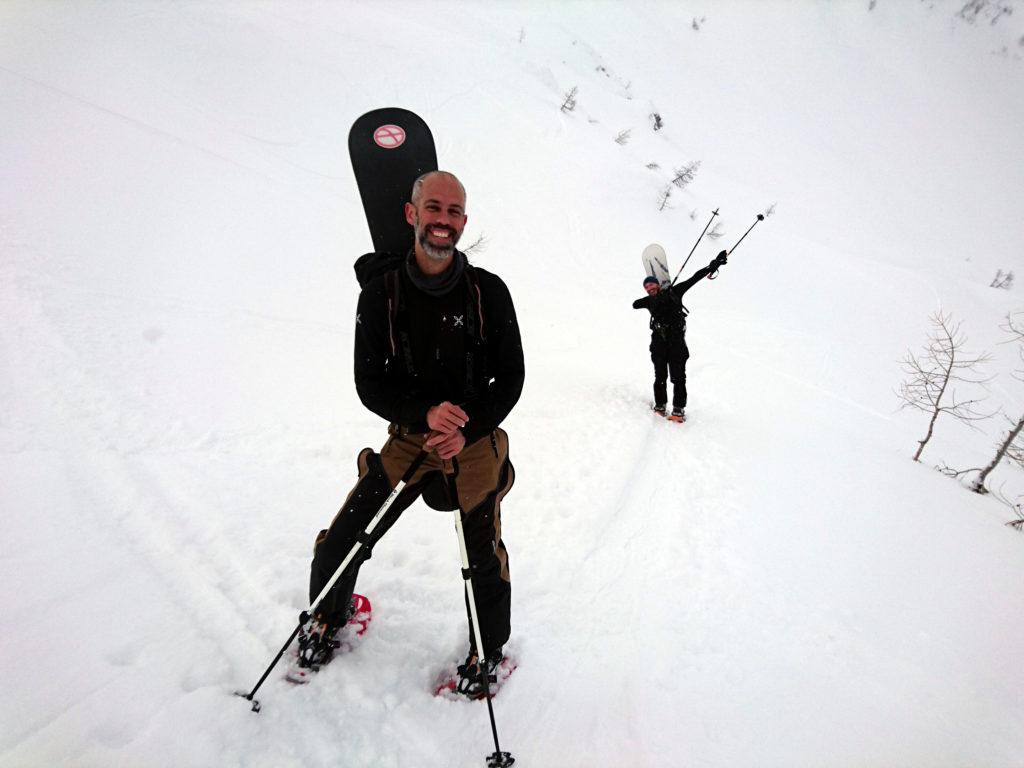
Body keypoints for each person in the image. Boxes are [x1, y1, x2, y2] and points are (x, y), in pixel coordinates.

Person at [297, 170, 525, 698]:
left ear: (463, 222)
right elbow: (369, 382)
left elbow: (510, 378)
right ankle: (329, 616)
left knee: (481, 557)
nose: (443, 220)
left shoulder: (489, 292)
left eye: (454, 211)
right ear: (411, 214)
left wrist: (465, 428)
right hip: (409, 438)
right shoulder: (381, 294)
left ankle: (488, 652)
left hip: (475, 439)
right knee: (342, 540)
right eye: (434, 208)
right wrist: (426, 415)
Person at [632, 250, 727, 422]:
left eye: (652, 285)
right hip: (659, 343)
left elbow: (694, 278)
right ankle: (660, 405)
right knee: (660, 376)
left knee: (678, 377)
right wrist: (657, 299)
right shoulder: (649, 301)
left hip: (676, 342)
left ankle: (678, 409)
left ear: (658, 284)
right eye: (647, 287)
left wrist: (713, 265)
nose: (649, 288)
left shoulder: (675, 292)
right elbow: (635, 304)